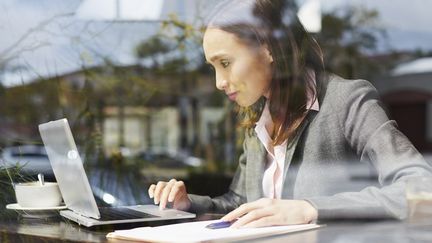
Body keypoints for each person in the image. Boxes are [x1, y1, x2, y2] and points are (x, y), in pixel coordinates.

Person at [148, 0, 432, 228]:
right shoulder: (260, 120)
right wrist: (187, 205)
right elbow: (241, 203)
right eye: (213, 67)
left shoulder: (347, 101)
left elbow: (421, 190)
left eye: (225, 62)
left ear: (269, 48)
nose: (219, 82)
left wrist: (310, 208)